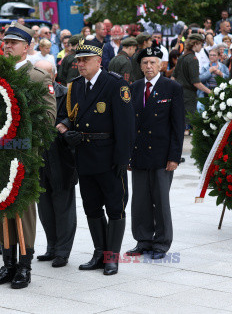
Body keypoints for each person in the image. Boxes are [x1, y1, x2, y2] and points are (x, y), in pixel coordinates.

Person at [0, 22, 56, 289]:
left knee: (23, 208)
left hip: (25, 154)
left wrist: (21, 135)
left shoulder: (38, 77)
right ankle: (8, 264)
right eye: (5, 42)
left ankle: (24, 267)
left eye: (14, 43)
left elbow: (49, 118)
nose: (7, 46)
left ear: (27, 47)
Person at [56, 38, 135, 276]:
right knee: (91, 207)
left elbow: (126, 125)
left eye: (85, 60)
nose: (80, 64)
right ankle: (99, 253)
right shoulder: (76, 86)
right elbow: (67, 117)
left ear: (98, 61)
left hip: (109, 155)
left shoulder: (115, 84)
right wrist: (66, 132)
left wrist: (123, 159)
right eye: (78, 60)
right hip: (85, 154)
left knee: (115, 208)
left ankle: (112, 258)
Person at [127, 44, 185, 259]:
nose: (149, 66)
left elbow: (178, 125)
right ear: (140, 66)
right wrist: (128, 155)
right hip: (139, 153)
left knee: (160, 200)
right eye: (145, 63)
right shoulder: (134, 88)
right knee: (140, 200)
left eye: (153, 62)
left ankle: (161, 243)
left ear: (161, 64)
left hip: (162, 155)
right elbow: (131, 124)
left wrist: (174, 157)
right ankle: (143, 240)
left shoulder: (172, 88)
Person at [35, 59, 77, 268]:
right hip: (40, 158)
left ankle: (62, 251)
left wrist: (65, 124)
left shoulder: (67, 94)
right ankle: (51, 247)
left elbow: (76, 116)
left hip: (61, 157)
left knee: (63, 206)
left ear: (53, 76)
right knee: (44, 207)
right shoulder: (32, 94)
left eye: (45, 75)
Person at [172, 34, 211, 135]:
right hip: (189, 96)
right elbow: (196, 82)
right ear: (195, 44)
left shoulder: (182, 57)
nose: (201, 47)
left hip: (179, 93)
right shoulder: (193, 59)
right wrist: (210, 92)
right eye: (201, 44)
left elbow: (173, 78)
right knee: (192, 124)